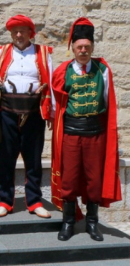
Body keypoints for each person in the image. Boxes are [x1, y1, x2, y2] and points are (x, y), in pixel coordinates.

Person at [51, 17, 121, 241]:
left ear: (92, 48)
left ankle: (92, 223)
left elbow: (108, 102)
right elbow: (56, 105)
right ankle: (68, 222)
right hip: (71, 133)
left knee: (94, 180)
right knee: (69, 179)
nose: (83, 50)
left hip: (95, 134)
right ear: (72, 48)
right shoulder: (63, 71)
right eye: (79, 47)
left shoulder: (102, 70)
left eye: (87, 47)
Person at [0, 14, 53, 219]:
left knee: (33, 159)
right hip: (7, 112)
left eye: (22, 31)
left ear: (30, 33)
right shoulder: (2, 52)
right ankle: (5, 201)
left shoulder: (42, 53)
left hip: (34, 113)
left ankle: (34, 201)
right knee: (5, 158)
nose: (18, 35)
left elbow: (50, 79)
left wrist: (52, 111)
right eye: (15, 32)